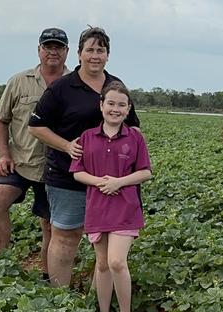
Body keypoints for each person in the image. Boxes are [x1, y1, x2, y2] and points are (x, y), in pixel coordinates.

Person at [28, 26, 140, 287]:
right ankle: (60, 298)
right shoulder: (62, 88)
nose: (95, 56)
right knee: (66, 236)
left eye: (100, 50)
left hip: (110, 181)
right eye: (89, 50)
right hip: (68, 176)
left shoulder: (115, 86)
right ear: (78, 54)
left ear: (108, 55)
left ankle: (97, 303)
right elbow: (36, 126)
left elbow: (134, 127)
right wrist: (67, 146)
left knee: (106, 241)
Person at [0, 27, 70, 281]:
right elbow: (1, 120)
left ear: (67, 52)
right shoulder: (19, 81)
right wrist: (4, 155)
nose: (52, 51)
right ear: (39, 50)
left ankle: (48, 277)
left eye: (58, 47)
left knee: (49, 224)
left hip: (56, 167)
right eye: (48, 46)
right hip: (21, 162)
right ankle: (0, 264)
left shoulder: (75, 84)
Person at [70, 81, 152, 312]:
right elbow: (77, 172)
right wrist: (99, 182)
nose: (115, 109)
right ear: (101, 105)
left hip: (125, 207)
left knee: (117, 261)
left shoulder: (135, 137)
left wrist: (119, 182)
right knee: (103, 264)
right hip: (97, 207)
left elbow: (145, 172)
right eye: (111, 103)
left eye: (122, 105)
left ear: (128, 110)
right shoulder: (86, 137)